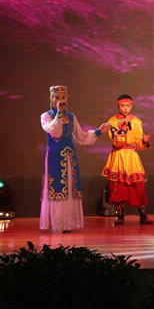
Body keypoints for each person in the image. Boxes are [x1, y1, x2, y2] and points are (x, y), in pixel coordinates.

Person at [40, 85, 111, 232]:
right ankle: (56, 223)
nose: (60, 100)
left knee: (70, 187)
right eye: (57, 97)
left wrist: (99, 131)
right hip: (54, 155)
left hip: (69, 156)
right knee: (57, 187)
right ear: (51, 99)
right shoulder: (46, 116)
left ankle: (68, 223)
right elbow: (55, 132)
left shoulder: (71, 117)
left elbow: (81, 137)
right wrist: (59, 115)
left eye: (63, 97)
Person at [102, 94, 153, 225]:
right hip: (119, 155)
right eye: (123, 106)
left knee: (138, 186)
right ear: (118, 106)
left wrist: (144, 140)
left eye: (128, 106)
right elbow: (117, 142)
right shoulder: (112, 121)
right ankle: (120, 216)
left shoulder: (137, 121)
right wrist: (124, 126)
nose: (125, 108)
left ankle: (143, 215)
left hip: (132, 156)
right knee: (119, 187)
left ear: (131, 106)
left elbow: (139, 142)